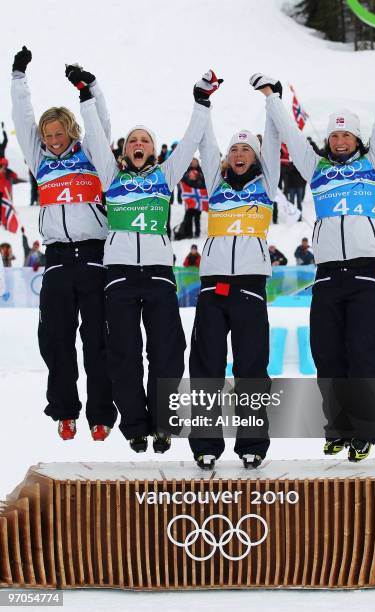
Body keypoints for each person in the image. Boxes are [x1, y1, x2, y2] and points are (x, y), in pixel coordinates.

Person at [253, 50, 375, 462]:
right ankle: (336, 427)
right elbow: (292, 135)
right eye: (335, 136)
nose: (339, 141)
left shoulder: (374, 164)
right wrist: (271, 97)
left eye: (346, 136)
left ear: (357, 139)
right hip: (327, 275)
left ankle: (365, 430)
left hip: (365, 274)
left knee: (365, 354)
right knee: (328, 355)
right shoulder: (316, 168)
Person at [77, 65, 217, 454]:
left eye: (146, 141)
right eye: (133, 140)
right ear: (125, 151)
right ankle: (136, 426)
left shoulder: (165, 176)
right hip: (119, 277)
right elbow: (98, 135)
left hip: (158, 276)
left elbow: (190, 143)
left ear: (154, 151)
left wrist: (201, 103)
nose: (139, 144)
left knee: (167, 353)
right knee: (123, 354)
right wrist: (87, 95)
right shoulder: (112, 177)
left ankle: (164, 423)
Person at [11, 46, 116, 442]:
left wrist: (88, 87)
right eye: (48, 135)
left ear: (70, 132)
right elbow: (22, 121)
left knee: (97, 339)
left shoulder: (90, 153)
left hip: (93, 256)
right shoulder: (39, 159)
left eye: (59, 133)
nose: (53, 140)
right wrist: (19, 77)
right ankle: (65, 411)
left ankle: (101, 415)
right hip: (56, 259)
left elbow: (101, 121)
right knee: (56, 339)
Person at [188, 76, 281, 471]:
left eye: (247, 148)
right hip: (212, 286)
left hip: (250, 286)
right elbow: (206, 143)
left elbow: (275, 141)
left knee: (251, 367)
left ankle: (252, 445)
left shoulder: (267, 183)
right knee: (206, 366)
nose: (239, 153)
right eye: (234, 149)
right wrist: (203, 102)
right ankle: (206, 443)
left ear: (257, 157)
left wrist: (271, 99)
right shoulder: (215, 183)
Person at [180, 157, 207, 238]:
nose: (194, 163)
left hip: (198, 198)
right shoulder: (187, 171)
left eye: (195, 162)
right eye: (193, 162)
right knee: (189, 216)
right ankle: (189, 233)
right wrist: (189, 176)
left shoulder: (202, 172)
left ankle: (197, 233)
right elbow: (183, 181)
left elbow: (204, 182)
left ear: (198, 163)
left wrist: (198, 176)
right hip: (190, 198)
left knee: (197, 217)